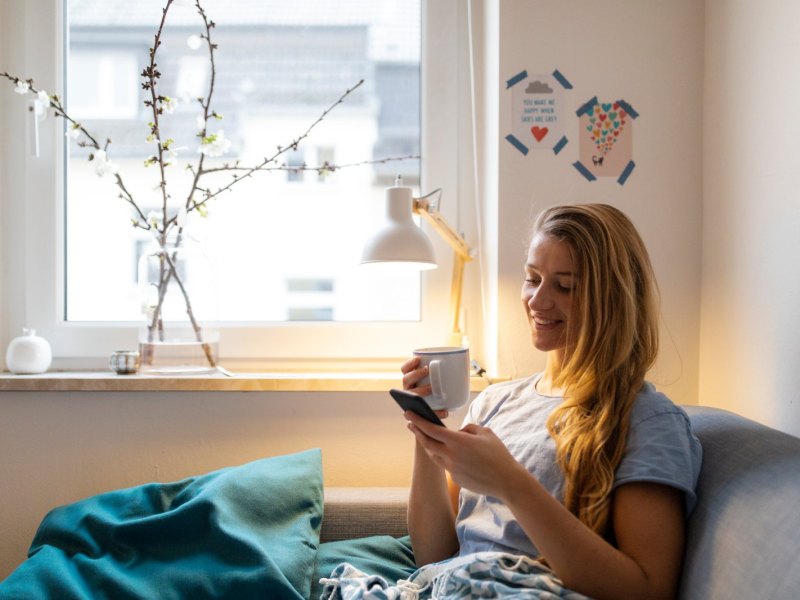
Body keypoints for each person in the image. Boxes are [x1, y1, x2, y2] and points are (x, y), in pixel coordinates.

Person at [401, 203, 702, 600]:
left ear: (612, 299)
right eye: (532, 278)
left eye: (565, 286)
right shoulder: (495, 402)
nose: (537, 301)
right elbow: (434, 555)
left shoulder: (645, 421)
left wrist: (511, 482)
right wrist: (427, 433)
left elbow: (647, 589)